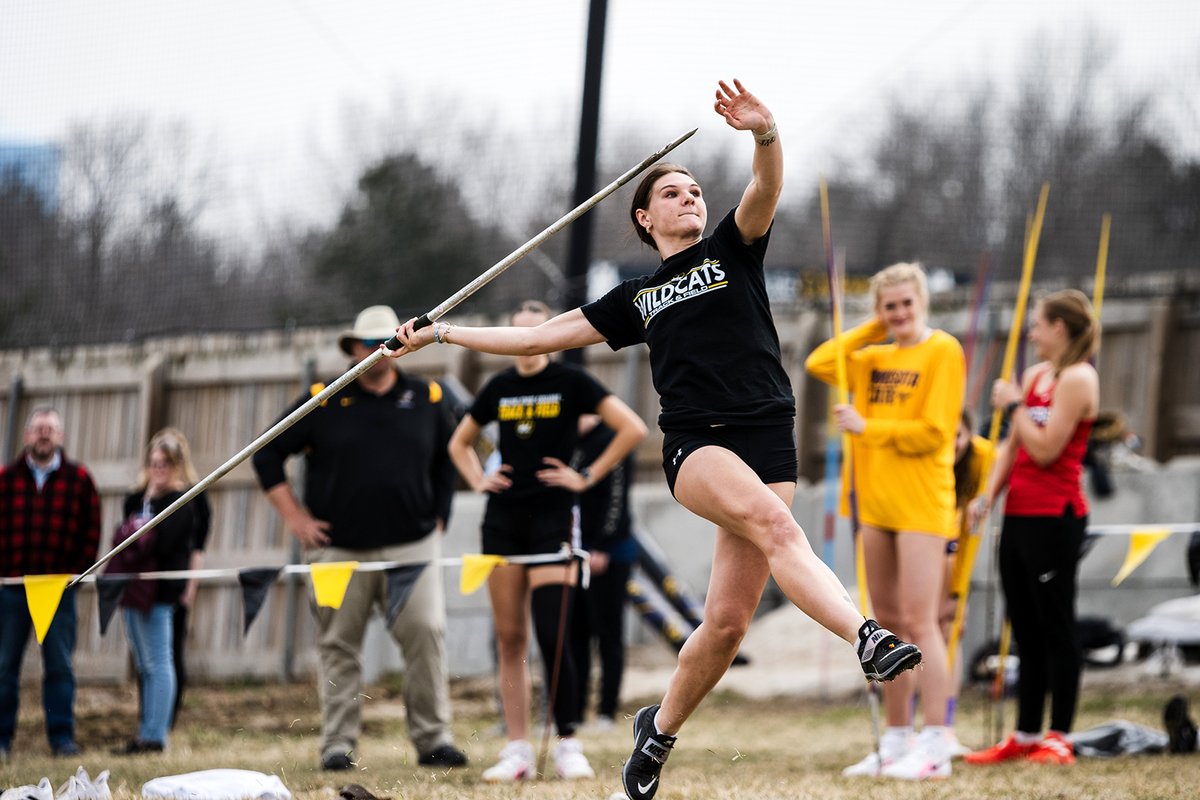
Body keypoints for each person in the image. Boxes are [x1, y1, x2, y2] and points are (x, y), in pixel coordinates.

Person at [388, 79, 921, 800]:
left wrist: (765, 133)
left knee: (727, 625)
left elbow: (766, 186)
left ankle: (657, 734)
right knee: (773, 523)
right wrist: (442, 331)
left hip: (768, 437)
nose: (690, 198)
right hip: (697, 444)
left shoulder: (736, 250)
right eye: (673, 193)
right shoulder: (635, 296)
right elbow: (540, 337)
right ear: (644, 217)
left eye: (696, 189)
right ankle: (867, 636)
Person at [252, 304, 467, 772]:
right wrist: (296, 519)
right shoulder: (322, 398)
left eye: (384, 343)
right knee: (338, 645)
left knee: (427, 633)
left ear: (399, 344)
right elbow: (266, 455)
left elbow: (449, 457)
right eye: (367, 345)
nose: (377, 353)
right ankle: (337, 745)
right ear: (352, 348)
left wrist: (442, 516)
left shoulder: (429, 397)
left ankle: (434, 739)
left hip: (413, 545)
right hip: (339, 548)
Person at [446, 300, 646, 782]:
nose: (529, 344)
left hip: (554, 520)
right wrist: (478, 480)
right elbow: (458, 443)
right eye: (520, 334)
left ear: (552, 336)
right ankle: (517, 749)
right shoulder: (498, 387)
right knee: (510, 637)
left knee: (555, 635)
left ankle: (566, 743)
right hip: (502, 522)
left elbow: (633, 428)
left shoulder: (572, 383)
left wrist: (585, 477)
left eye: (537, 333)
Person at [806, 262, 966, 780]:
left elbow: (936, 432)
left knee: (924, 621)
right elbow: (820, 361)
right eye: (889, 305)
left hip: (922, 502)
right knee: (887, 623)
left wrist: (867, 427)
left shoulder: (943, 350)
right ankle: (898, 739)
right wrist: (875, 327)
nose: (899, 314)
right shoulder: (872, 355)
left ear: (924, 302)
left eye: (906, 304)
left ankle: (938, 741)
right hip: (872, 504)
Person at [964, 288, 1100, 767]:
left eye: (1039, 324)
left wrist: (1017, 405)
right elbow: (1013, 448)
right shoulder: (1037, 375)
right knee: (1024, 629)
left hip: (1055, 518)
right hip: (1018, 515)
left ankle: (1059, 734)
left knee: (1056, 627)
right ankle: (1024, 734)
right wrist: (987, 497)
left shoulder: (1079, 379)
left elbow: (1044, 448)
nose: (1032, 333)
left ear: (1059, 328)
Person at [0, 407, 100, 759]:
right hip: (10, 588)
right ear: (26, 436)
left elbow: (92, 532)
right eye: (38, 428)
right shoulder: (5, 478)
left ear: (60, 437)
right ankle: (1, 740)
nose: (44, 434)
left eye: (51, 429)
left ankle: (61, 739)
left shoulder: (80, 479)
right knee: (3, 666)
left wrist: (78, 574)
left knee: (59, 666)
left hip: (58, 589)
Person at [108, 428, 209, 754]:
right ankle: (146, 731)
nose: (158, 470)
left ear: (177, 465)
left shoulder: (183, 504)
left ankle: (157, 735)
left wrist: (141, 526)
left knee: (162, 662)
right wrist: (146, 504)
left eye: (165, 464)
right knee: (145, 664)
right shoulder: (138, 498)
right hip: (134, 589)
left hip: (162, 592)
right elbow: (125, 542)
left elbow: (159, 544)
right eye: (154, 463)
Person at [569, 415, 639, 733]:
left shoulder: (615, 437)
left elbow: (616, 498)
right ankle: (575, 711)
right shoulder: (573, 443)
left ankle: (606, 712)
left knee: (608, 635)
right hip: (576, 553)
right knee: (577, 634)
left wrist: (601, 546)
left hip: (610, 554)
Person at [942, 408, 992, 756]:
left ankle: (944, 725)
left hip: (955, 547)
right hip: (932, 538)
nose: (952, 445)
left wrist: (959, 589)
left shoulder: (983, 458)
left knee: (949, 627)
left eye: (958, 436)